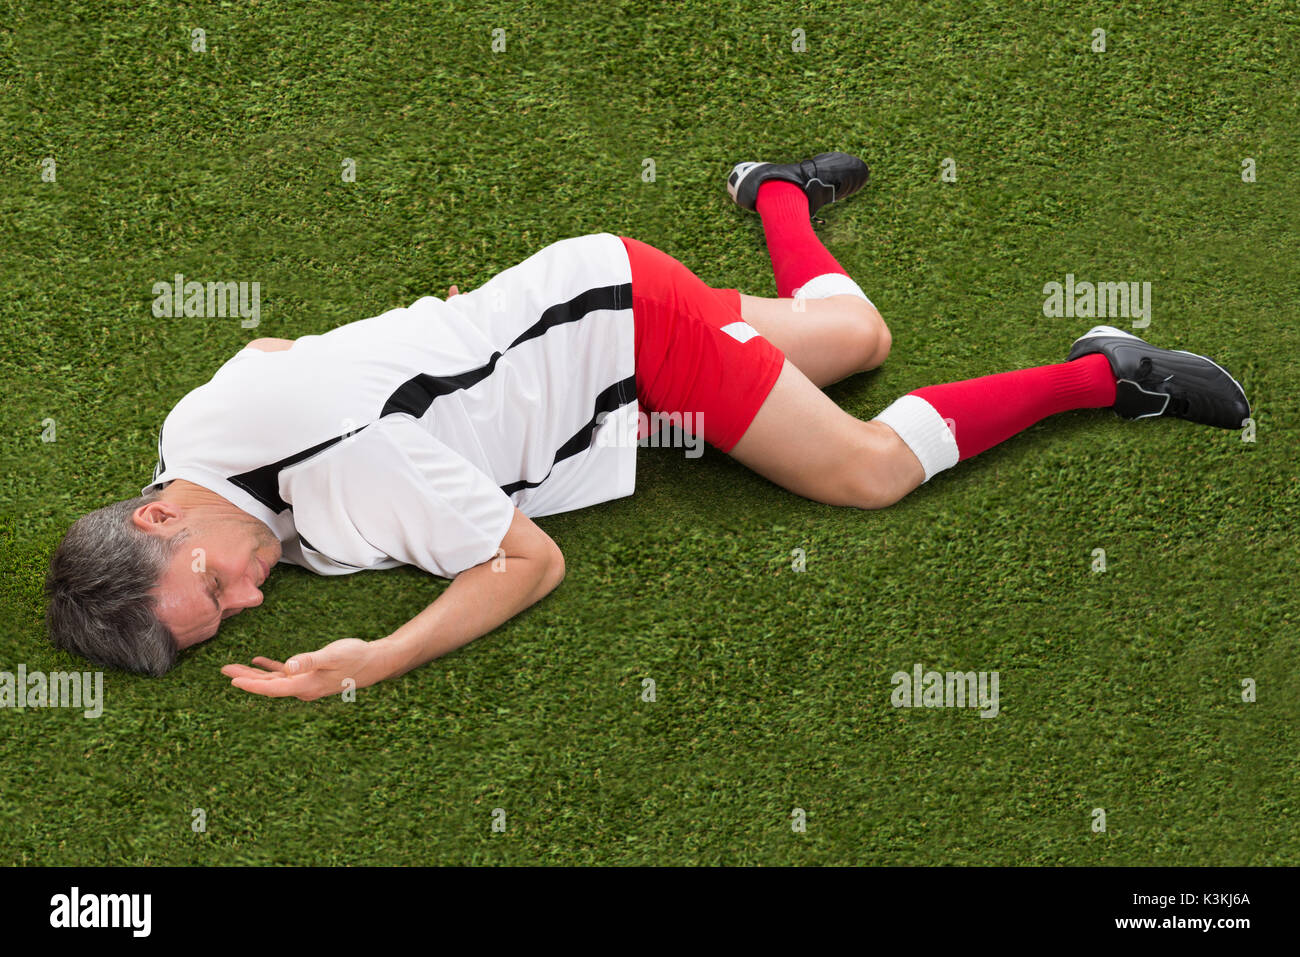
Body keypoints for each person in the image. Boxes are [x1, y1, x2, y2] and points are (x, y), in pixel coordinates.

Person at [45, 152, 1250, 700]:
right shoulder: (190, 435)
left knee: (867, 469)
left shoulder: (347, 477)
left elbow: (528, 562)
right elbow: (277, 354)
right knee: (857, 337)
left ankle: (1108, 373)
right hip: (575, 294)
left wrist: (375, 657)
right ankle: (775, 189)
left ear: (155, 518)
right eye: (224, 623)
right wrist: (440, 350)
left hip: (622, 341)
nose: (252, 600)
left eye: (217, 584)